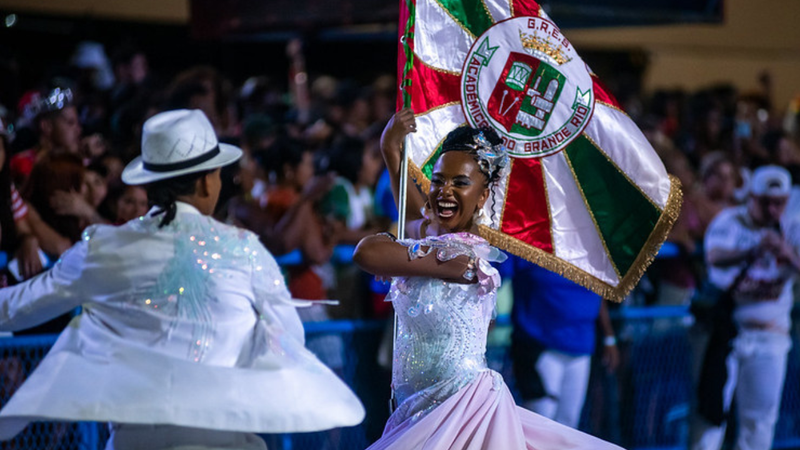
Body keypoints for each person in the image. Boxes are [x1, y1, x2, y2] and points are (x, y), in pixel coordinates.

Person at [0, 109, 364, 449]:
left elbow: (14, 309)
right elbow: (290, 337)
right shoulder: (242, 249)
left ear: (150, 183)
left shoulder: (103, 248)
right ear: (207, 182)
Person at [353, 108, 622, 449]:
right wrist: (391, 152)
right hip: (413, 409)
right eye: (438, 181)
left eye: (460, 183)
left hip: (462, 411)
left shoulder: (471, 258)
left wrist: (403, 253)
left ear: (483, 195)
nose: (444, 191)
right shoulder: (438, 246)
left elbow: (367, 252)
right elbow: (412, 219)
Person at [691, 165, 799, 450]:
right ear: (752, 197)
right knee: (710, 414)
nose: (772, 209)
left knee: (760, 421)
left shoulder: (793, 226)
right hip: (729, 333)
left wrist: (789, 254)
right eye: (766, 202)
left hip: (771, 336)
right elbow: (714, 256)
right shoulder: (731, 221)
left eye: (780, 202)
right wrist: (754, 250)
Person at [506, 258, 618, 429]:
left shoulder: (588, 242)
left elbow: (598, 290)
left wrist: (609, 336)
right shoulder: (530, 239)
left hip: (581, 345)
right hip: (540, 343)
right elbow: (494, 274)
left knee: (569, 423)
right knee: (541, 420)